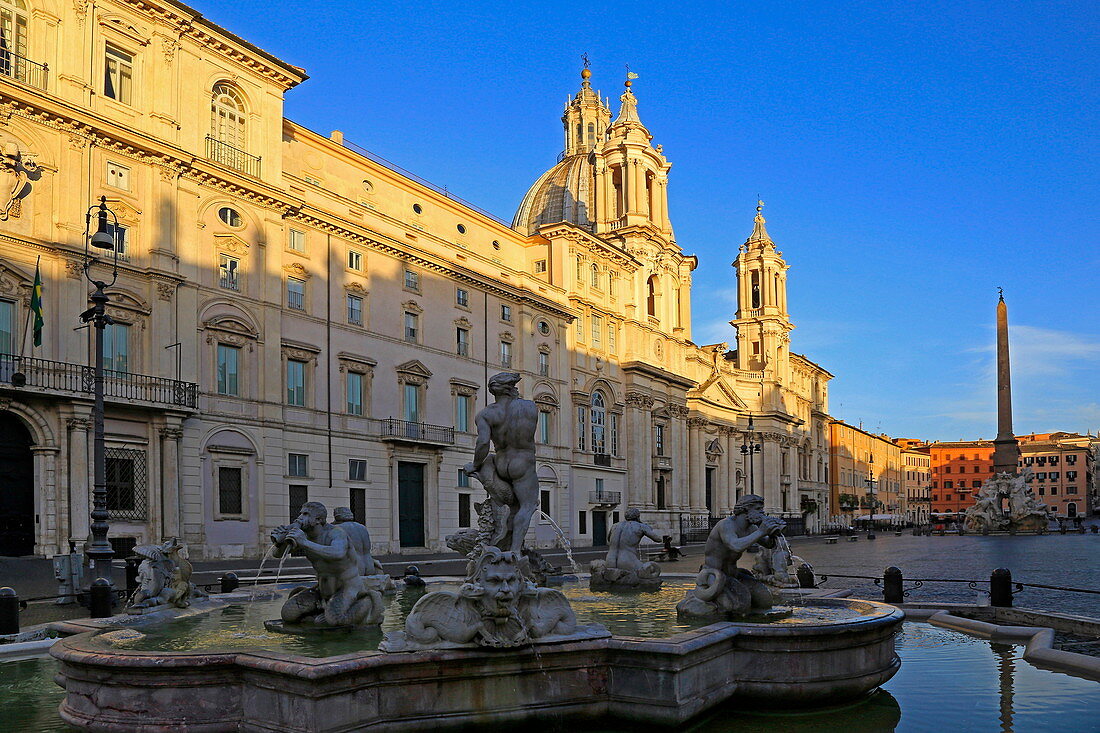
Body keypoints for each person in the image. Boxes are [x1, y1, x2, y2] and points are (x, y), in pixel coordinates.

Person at [464, 372, 539, 554]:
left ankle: (500, 534)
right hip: (522, 462)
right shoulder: (527, 407)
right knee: (527, 506)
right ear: (511, 388)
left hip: (500, 462)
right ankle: (514, 551)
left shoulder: (486, 414)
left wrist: (475, 465)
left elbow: (482, 443)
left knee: (488, 460)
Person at [272, 502, 382, 627]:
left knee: (334, 621)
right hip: (321, 590)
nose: (300, 517)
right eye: (301, 513)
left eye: (306, 514)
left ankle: (365, 602)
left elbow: (338, 553)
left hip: (347, 587)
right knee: (288, 614)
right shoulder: (304, 535)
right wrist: (280, 543)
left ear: (318, 519)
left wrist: (304, 542)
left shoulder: (336, 533)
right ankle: (322, 611)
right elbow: (277, 554)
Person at [678, 494, 785, 618]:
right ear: (746, 509)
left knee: (764, 599)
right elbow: (735, 545)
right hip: (714, 574)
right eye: (758, 509)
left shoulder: (751, 527)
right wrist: (761, 532)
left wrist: (773, 533)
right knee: (740, 604)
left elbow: (768, 544)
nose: (762, 512)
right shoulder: (726, 525)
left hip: (733, 574)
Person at [605, 508, 664, 573]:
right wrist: (646, 527)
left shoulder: (615, 525)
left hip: (609, 561)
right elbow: (658, 539)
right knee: (653, 570)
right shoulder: (641, 526)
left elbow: (608, 539)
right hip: (627, 561)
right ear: (638, 516)